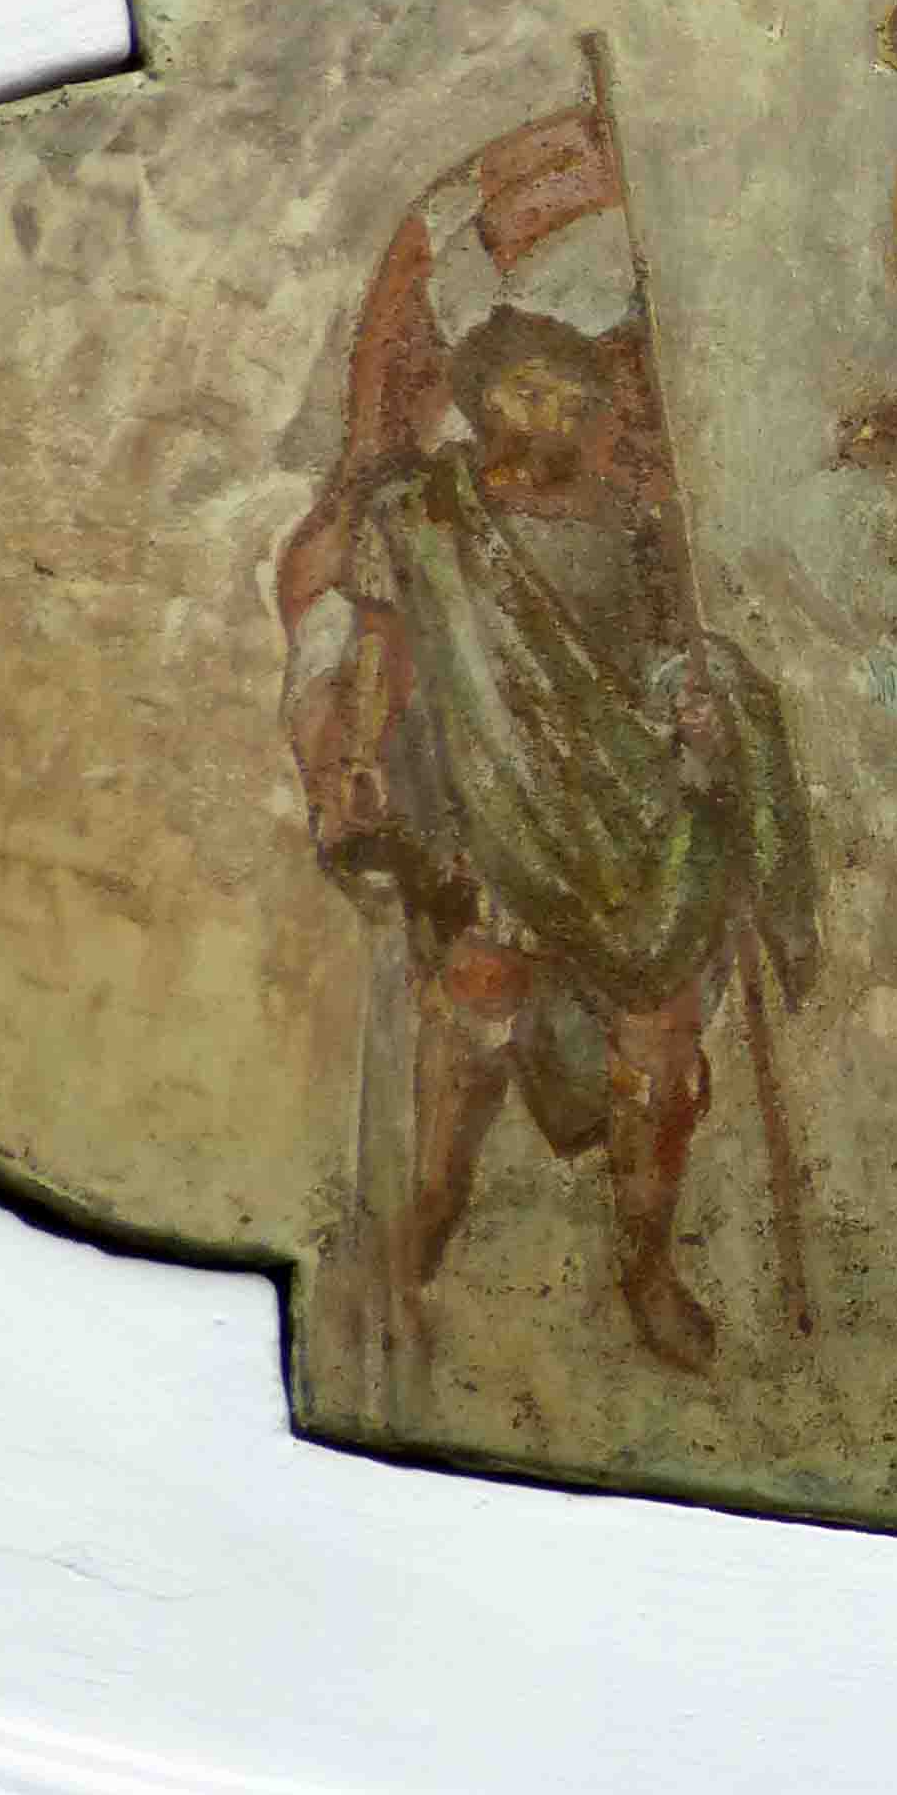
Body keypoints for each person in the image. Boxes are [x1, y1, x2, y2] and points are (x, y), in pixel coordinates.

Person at [277, 121, 815, 1372]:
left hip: (638, 824)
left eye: (573, 394)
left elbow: (666, 653)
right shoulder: (424, 516)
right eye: (527, 389)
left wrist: (704, 703)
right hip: (492, 814)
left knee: (660, 1060)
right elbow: (380, 649)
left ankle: (646, 1264)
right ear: (478, 399)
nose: (552, 410)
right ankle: (429, 1214)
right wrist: (363, 757)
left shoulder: (642, 527)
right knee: (473, 1026)